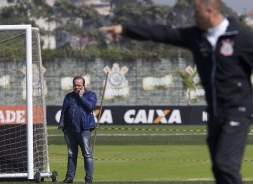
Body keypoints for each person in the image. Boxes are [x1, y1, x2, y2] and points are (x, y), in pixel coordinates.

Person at [100, 0, 253, 183]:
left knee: (225, 165)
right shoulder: (196, 37)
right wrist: (125, 29)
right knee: (219, 170)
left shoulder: (242, 38)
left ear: (210, 12)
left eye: (197, 14)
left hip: (237, 111)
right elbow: (162, 33)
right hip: (215, 113)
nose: (194, 18)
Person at [58, 76, 97, 184]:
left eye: (79, 85)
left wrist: (81, 97)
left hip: (84, 129)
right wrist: (63, 126)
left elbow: (90, 107)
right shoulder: (69, 96)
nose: (77, 87)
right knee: (71, 154)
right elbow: (64, 111)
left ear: (84, 85)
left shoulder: (91, 95)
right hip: (69, 130)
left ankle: (88, 178)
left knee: (87, 154)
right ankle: (70, 178)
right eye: (75, 85)